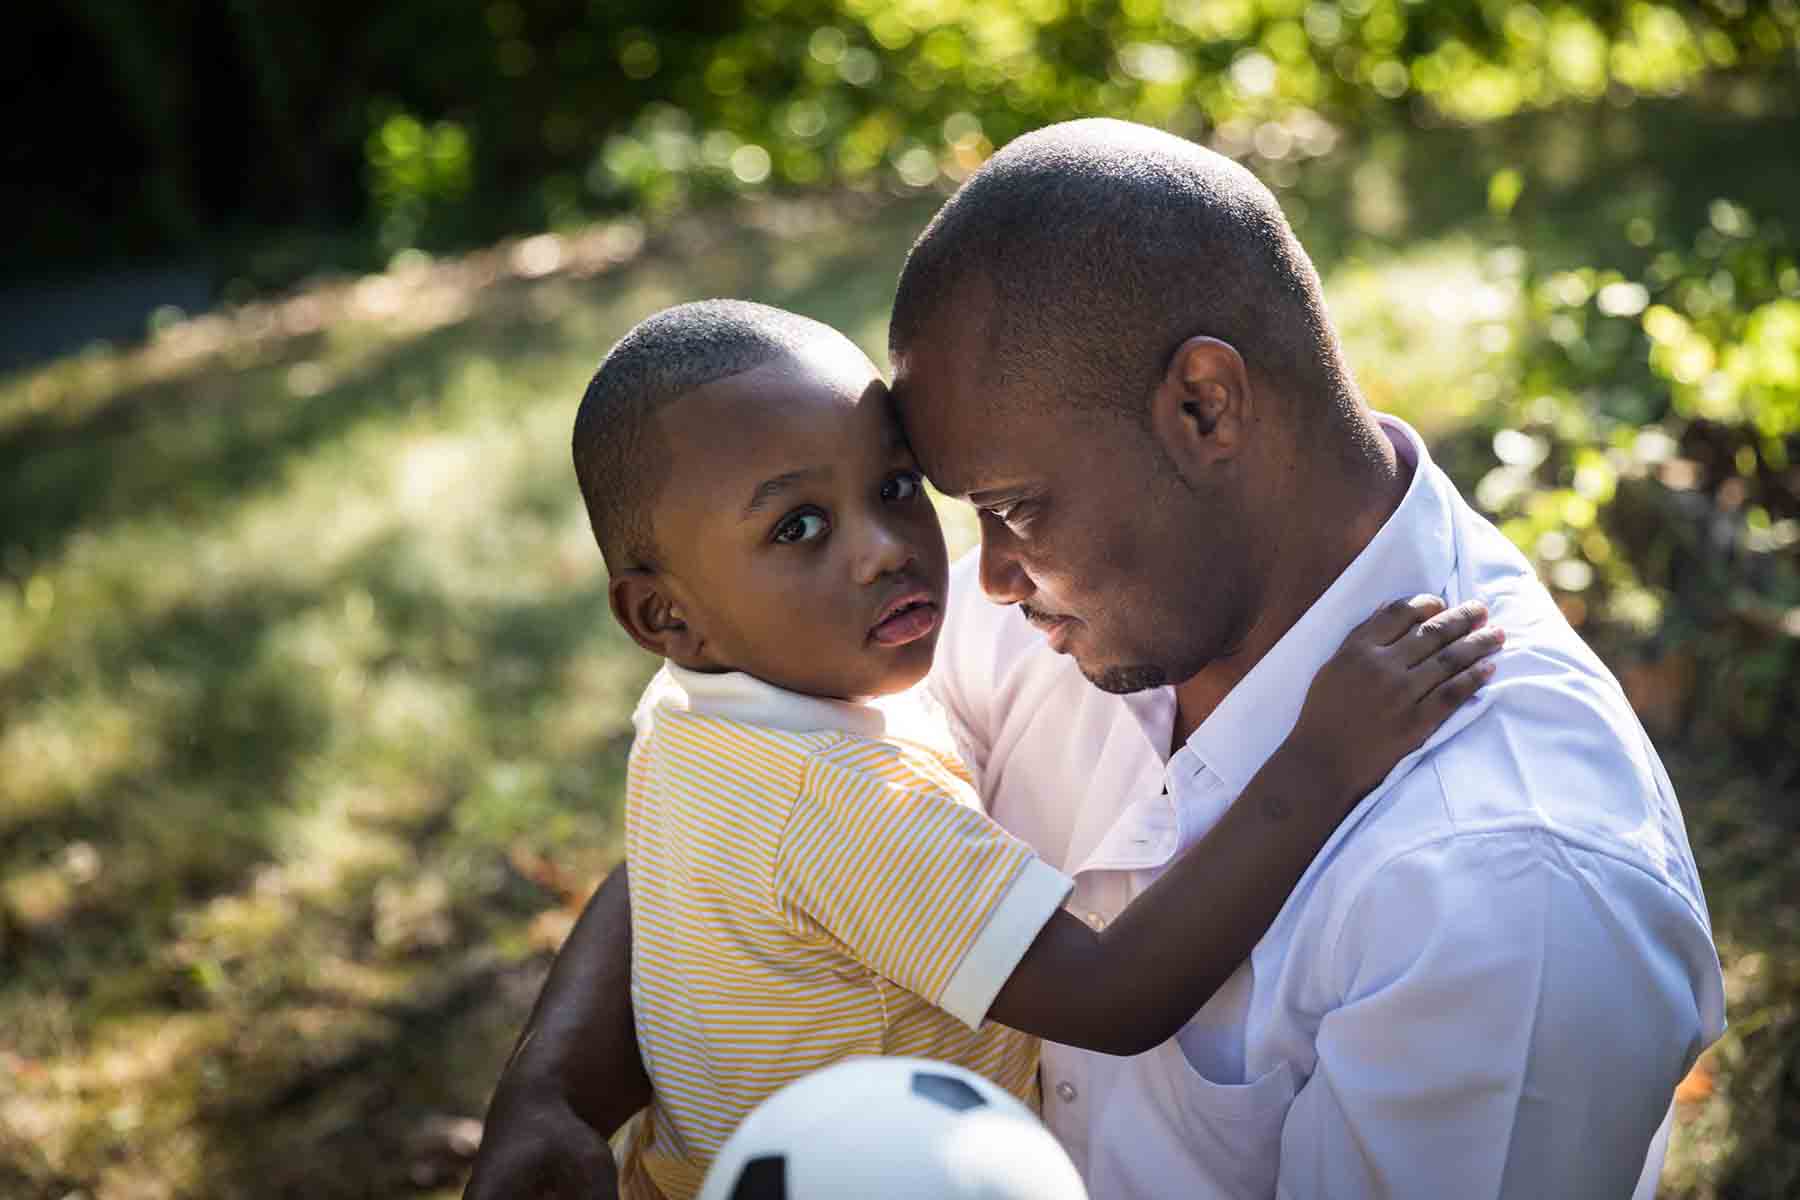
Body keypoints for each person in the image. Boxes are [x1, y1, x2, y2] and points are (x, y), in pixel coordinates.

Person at [467, 120, 1726, 1200]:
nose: (984, 582)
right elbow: (736, 808)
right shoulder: (1032, 602)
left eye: (1008, 508)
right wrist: (552, 1094)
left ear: (1203, 408)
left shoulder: (1507, 892)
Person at [541, 297, 1496, 1199]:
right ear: (665, 614)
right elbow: (1116, 997)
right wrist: (1320, 761)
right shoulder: (839, 804)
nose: (884, 547)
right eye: (799, 527)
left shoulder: (699, 711)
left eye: (896, 486)